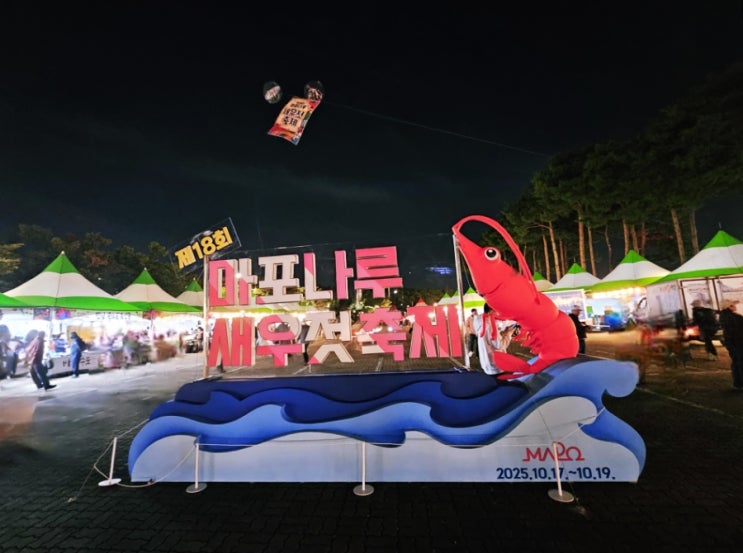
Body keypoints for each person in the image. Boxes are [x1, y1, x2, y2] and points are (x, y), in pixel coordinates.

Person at [718, 299, 743, 390]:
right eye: (733, 305)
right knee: (740, 362)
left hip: (732, 343)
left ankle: (738, 383)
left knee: (736, 362)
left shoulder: (723, 317)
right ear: (729, 307)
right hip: (738, 343)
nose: (735, 306)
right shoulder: (735, 318)